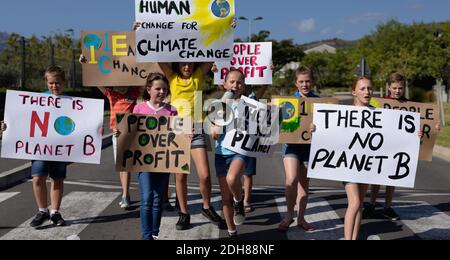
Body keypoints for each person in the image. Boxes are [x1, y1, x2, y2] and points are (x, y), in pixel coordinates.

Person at [132, 19, 237, 230]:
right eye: (183, 63)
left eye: (189, 62)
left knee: (205, 175)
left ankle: (207, 206)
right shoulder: (171, 77)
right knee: (180, 175)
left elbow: (215, 52)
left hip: (197, 128)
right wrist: (141, 30)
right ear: (177, 64)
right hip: (177, 129)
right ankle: (184, 212)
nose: (187, 66)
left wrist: (226, 30)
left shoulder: (198, 75)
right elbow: (157, 53)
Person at [363, 72, 440, 221]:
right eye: (394, 88)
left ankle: (387, 207)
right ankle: (371, 205)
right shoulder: (378, 103)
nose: (397, 91)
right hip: (380, 146)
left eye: (400, 88)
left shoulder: (409, 105)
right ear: (389, 87)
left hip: (398, 149)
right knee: (377, 178)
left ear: (404, 88)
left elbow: (421, 125)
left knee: (392, 179)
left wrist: (432, 127)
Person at [2, 66, 71, 227]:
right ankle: (42, 211)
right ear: (46, 82)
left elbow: (82, 123)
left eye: (58, 83)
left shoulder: (72, 102)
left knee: (57, 179)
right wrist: (7, 126)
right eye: (51, 83)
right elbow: (23, 119)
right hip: (40, 147)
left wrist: (95, 130)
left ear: (64, 83)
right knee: (37, 178)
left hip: (60, 148)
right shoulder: (38, 99)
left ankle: (55, 212)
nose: (55, 86)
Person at [114, 73, 176, 240]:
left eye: (164, 89)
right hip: (143, 161)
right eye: (158, 88)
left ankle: (154, 234)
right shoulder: (139, 109)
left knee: (157, 199)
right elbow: (131, 133)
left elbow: (176, 136)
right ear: (149, 89)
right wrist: (120, 131)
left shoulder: (172, 110)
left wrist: (187, 134)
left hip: (163, 161)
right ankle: (146, 236)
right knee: (147, 197)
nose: (161, 91)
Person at [79, 54, 142, 210]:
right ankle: (125, 195)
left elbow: (146, 74)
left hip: (134, 133)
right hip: (117, 134)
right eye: (117, 80)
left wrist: (137, 36)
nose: (121, 85)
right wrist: (86, 64)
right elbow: (95, 80)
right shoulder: (110, 93)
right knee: (123, 166)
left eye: (124, 80)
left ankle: (145, 193)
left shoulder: (134, 93)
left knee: (138, 165)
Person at [211, 69, 250, 239]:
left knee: (232, 179)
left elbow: (263, 121)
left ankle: (239, 200)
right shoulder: (217, 104)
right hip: (221, 153)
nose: (235, 85)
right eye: (232, 82)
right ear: (225, 84)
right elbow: (212, 132)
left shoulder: (249, 103)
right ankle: (232, 231)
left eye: (239, 82)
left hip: (239, 151)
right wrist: (216, 125)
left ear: (244, 85)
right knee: (225, 198)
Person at [278, 66, 317, 232]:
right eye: (301, 81)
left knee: (304, 185)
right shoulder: (288, 101)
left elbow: (327, 127)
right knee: (291, 179)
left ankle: (301, 218)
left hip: (309, 149)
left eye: (307, 81)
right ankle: (288, 215)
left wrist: (317, 127)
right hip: (291, 147)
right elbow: (280, 124)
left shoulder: (319, 102)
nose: (305, 84)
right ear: (296, 83)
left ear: (313, 82)